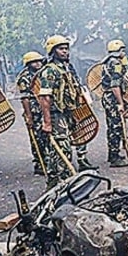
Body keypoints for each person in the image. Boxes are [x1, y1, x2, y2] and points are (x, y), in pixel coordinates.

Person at [38, 35, 90, 188]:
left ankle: (56, 184)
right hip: (56, 115)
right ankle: (62, 184)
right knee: (63, 150)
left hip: (66, 114)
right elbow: (44, 97)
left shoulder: (66, 69)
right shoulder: (49, 71)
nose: (65, 52)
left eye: (66, 49)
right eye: (61, 49)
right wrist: (47, 123)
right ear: (52, 51)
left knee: (60, 151)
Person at [101, 39, 128, 168]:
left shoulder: (107, 62)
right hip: (113, 98)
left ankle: (112, 153)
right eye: (123, 50)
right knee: (116, 127)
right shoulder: (115, 63)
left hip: (107, 97)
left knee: (112, 127)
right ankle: (114, 157)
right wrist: (120, 103)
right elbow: (115, 85)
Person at [16, 51, 46, 175]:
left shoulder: (44, 73)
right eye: (34, 62)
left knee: (47, 137)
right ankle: (39, 163)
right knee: (37, 138)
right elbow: (25, 98)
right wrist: (29, 116)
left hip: (45, 109)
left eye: (39, 61)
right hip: (34, 111)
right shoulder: (25, 77)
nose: (38, 63)